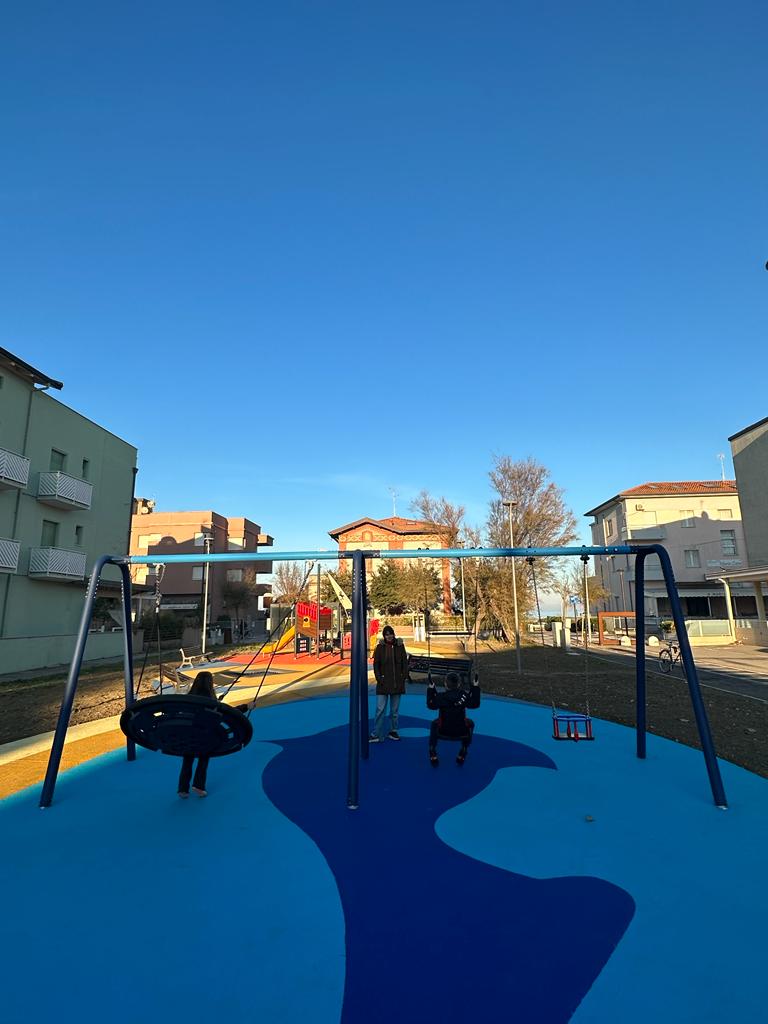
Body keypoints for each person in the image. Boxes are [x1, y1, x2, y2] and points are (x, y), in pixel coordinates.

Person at [427, 671, 481, 766]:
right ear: (459, 684)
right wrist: (475, 687)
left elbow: (430, 704)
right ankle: (464, 748)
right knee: (471, 723)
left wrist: (431, 689)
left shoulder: (440, 697)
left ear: (445, 684)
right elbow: (475, 703)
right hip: (461, 731)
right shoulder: (464, 696)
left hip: (443, 730)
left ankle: (432, 749)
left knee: (434, 724)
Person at [178, 670, 217, 798]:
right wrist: (246, 707)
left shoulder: (188, 698)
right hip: (204, 735)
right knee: (203, 759)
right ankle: (199, 786)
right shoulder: (211, 701)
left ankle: (183, 789)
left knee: (187, 760)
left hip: (188, 735)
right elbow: (226, 713)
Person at [371, 624, 409, 742]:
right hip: (383, 683)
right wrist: (379, 678)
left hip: (397, 682)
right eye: (386, 634)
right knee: (380, 709)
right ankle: (376, 733)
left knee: (394, 711)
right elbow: (376, 664)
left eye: (390, 634)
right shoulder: (380, 648)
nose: (389, 636)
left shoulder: (400, 646)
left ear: (393, 634)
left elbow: (404, 662)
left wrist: (403, 677)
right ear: (384, 636)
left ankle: (393, 730)